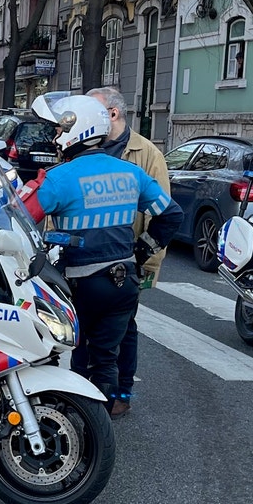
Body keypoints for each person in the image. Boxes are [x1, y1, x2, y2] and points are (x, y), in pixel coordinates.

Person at [18, 94, 183, 414]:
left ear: (73, 130)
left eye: (57, 130)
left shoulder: (60, 177)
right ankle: (107, 409)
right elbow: (171, 214)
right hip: (123, 280)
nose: (54, 138)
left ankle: (78, 417)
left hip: (80, 281)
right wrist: (142, 248)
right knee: (107, 354)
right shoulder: (130, 173)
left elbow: (19, 218)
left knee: (78, 349)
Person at [85, 86, 171, 418]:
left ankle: (121, 392)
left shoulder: (146, 154)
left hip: (124, 261)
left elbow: (163, 213)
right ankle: (86, 389)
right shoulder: (84, 146)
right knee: (82, 327)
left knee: (124, 328)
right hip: (83, 257)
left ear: (113, 114)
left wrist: (146, 261)